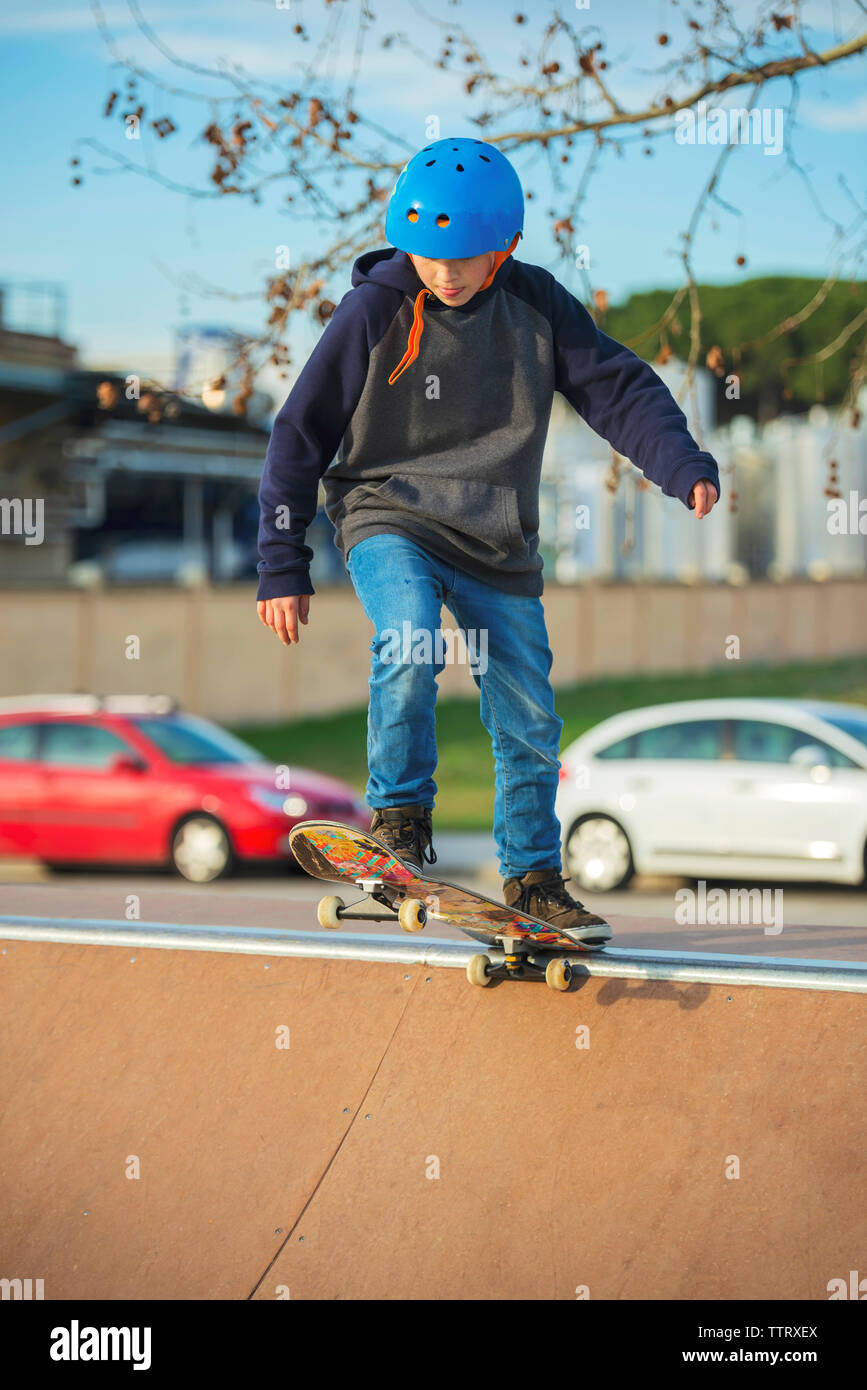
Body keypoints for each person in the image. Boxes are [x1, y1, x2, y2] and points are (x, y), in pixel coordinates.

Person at [256, 135, 720, 935]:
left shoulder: (537, 305)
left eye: (465, 259)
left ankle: (534, 878)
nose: (445, 274)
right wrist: (280, 563)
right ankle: (398, 818)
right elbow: (300, 432)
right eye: (429, 256)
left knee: (529, 717)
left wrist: (676, 462)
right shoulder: (372, 309)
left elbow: (615, 386)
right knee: (407, 637)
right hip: (388, 513)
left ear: (505, 246)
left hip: (497, 541)